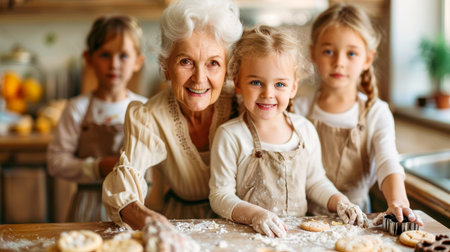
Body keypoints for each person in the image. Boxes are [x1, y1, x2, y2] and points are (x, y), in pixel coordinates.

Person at [209, 25, 369, 238]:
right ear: (238, 83)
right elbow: (220, 196)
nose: (268, 94)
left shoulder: (305, 130)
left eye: (280, 84)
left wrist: (341, 202)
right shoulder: (231, 136)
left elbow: (315, 181)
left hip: (295, 238)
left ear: (294, 87)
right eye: (256, 82)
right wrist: (255, 215)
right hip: (244, 238)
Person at [102, 0, 243, 231]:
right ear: (165, 66)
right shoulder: (148, 116)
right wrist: (146, 219)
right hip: (180, 226)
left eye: (213, 63)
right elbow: (124, 183)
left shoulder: (244, 103)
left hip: (241, 226)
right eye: (186, 61)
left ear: (227, 70)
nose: (199, 78)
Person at [293, 3, 423, 226]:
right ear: (313, 53)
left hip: (356, 223)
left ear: (367, 59)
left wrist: (399, 201)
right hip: (304, 220)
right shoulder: (298, 109)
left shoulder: (376, 112)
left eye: (351, 53)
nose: (339, 62)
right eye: (328, 51)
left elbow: (388, 162)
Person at [47, 14, 147, 222]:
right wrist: (96, 167)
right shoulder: (77, 109)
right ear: (89, 59)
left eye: (123, 56)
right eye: (104, 55)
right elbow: (56, 161)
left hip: (134, 208)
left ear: (138, 62)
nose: (114, 64)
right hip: (88, 208)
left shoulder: (144, 109)